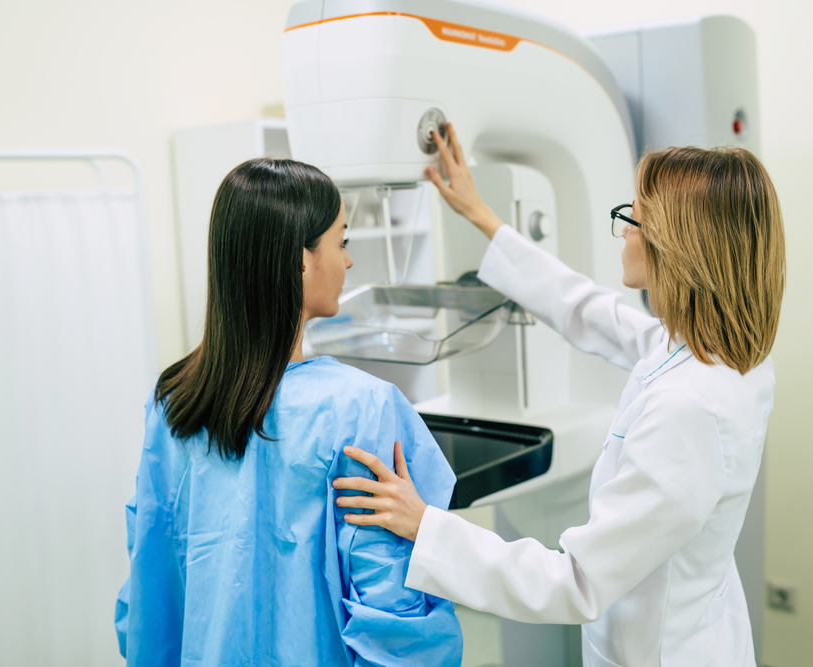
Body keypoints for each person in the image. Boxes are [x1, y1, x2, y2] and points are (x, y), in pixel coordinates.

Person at [333, 126, 786, 667]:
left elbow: (575, 580)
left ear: (677, 247)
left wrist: (425, 524)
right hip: (693, 622)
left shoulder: (689, 406)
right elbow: (593, 312)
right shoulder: (727, 353)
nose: (623, 231)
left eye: (633, 217)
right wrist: (481, 215)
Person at [114, 158, 462, 667]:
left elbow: (150, 593)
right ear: (302, 259)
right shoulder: (361, 408)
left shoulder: (173, 402)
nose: (347, 262)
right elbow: (392, 607)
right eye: (341, 242)